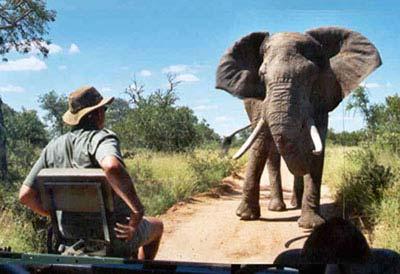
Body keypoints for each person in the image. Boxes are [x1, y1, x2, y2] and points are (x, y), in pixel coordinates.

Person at [18, 86, 163, 259]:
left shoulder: (52, 147)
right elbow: (111, 166)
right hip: (115, 236)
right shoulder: (100, 138)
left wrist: (55, 215)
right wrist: (137, 211)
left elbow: (25, 195)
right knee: (158, 226)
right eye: (104, 109)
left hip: (69, 238)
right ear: (98, 113)